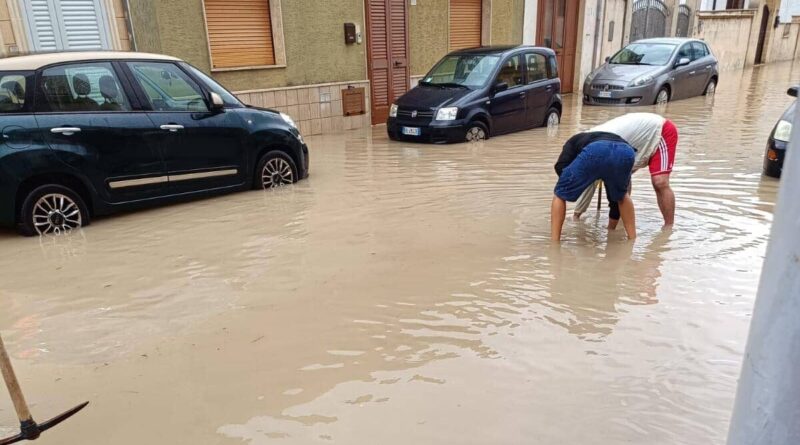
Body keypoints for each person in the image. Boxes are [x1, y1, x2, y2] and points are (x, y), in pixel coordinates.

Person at [573, 113, 678, 229]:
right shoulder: (587, 143)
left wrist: (577, 215)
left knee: (660, 182)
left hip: (660, 132)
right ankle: (624, 218)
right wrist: (576, 216)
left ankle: (668, 228)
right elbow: (589, 182)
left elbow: (589, 181)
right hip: (633, 142)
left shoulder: (594, 146)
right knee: (621, 178)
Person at [551, 131, 637, 242]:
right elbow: (615, 200)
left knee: (559, 194)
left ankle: (554, 242)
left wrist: (573, 183)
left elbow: (560, 166)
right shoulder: (598, 136)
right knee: (621, 196)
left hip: (596, 150)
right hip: (626, 151)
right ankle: (632, 239)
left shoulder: (572, 142)